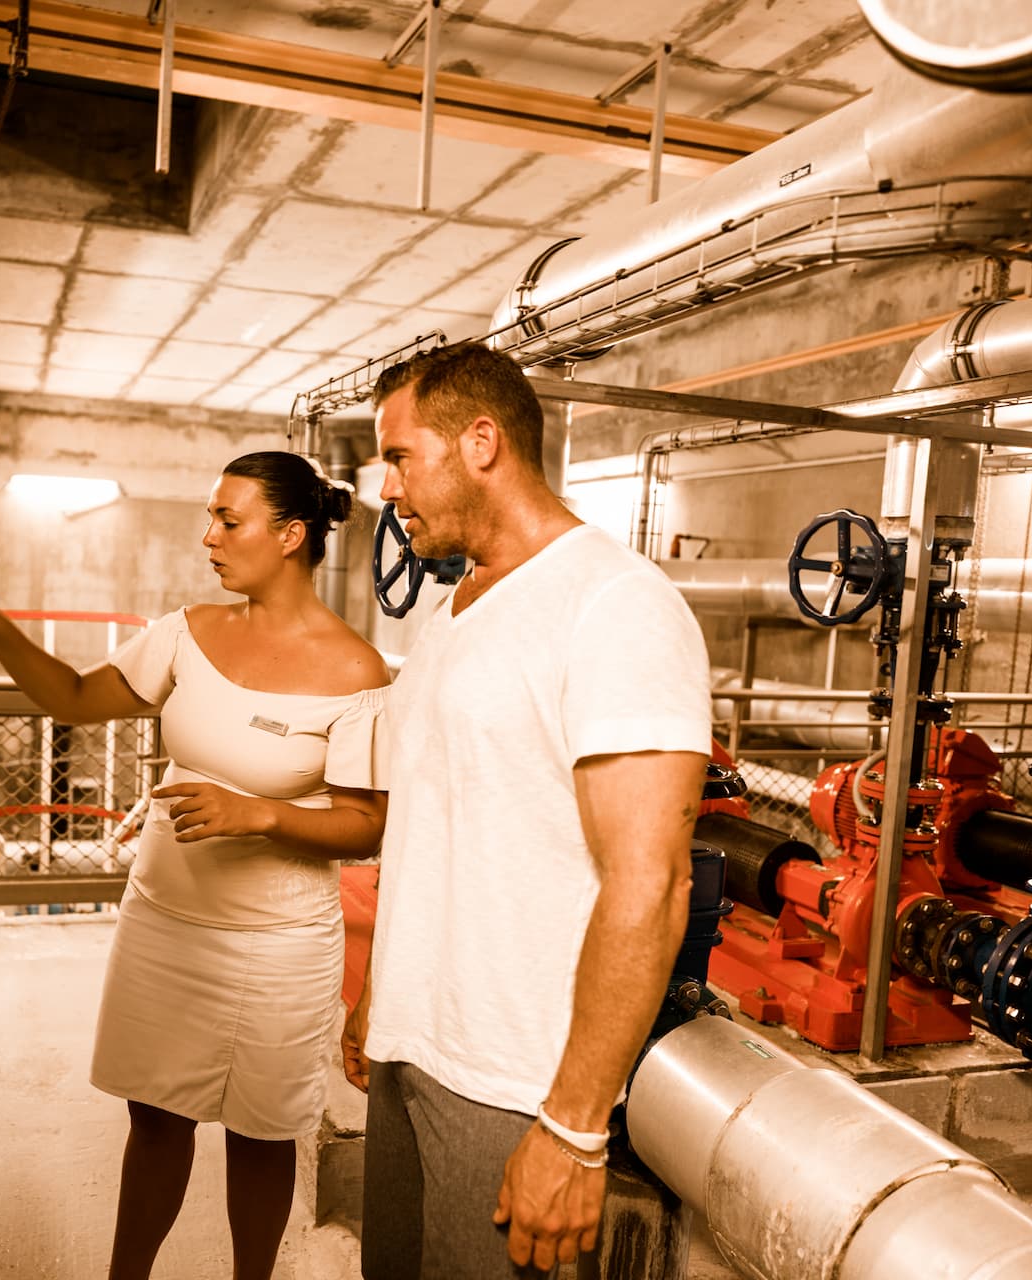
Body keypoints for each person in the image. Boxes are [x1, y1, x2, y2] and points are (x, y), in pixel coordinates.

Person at [0, 450, 390, 1280]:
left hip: (276, 944)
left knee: (262, 1131)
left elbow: (365, 826)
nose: (207, 536)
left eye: (227, 520)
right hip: (166, 922)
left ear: (289, 535)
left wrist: (263, 814)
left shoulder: (355, 670)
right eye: (210, 516)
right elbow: (70, 697)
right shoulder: (187, 632)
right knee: (156, 1119)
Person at [340, 342, 712, 1279]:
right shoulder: (456, 610)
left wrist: (576, 1129)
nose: (388, 489)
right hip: (413, 1052)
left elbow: (652, 881)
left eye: (399, 456)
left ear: (480, 441)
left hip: (512, 1083)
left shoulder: (614, 604)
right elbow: (440, 824)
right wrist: (385, 989)